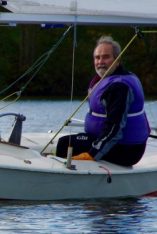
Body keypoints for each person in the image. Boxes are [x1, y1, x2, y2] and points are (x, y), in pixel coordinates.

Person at [56, 36, 150, 166]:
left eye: (106, 57)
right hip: (116, 143)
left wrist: (93, 153)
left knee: (64, 144)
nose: (100, 62)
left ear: (117, 61)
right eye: (97, 58)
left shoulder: (118, 87)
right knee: (68, 142)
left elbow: (114, 128)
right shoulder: (114, 79)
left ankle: (61, 175)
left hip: (126, 149)